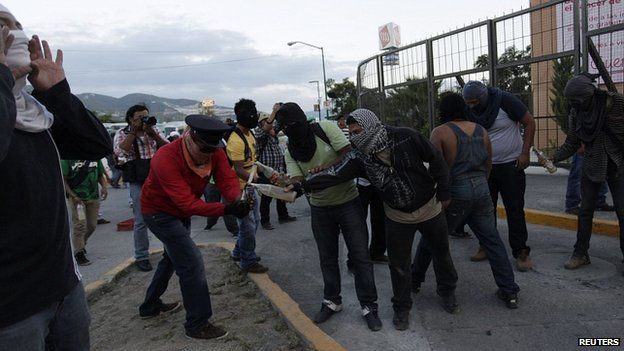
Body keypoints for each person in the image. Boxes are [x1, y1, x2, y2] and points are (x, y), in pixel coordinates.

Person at [0, 7, 112, 349]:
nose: (15, 33)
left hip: (64, 288)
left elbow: (96, 145)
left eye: (17, 26)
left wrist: (56, 94)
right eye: (2, 27)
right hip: (10, 310)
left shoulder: (33, 112)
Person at [299, 108, 459, 330]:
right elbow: (336, 176)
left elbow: (436, 158)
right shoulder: (360, 157)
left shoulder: (405, 136)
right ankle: (402, 308)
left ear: (372, 124)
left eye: (359, 130)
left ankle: (448, 292)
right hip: (397, 216)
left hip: (429, 208)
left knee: (441, 254)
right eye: (352, 132)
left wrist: (444, 192)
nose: (355, 136)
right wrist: (302, 186)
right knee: (399, 265)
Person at [139, 115, 250, 340]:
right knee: (191, 262)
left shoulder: (215, 152)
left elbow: (227, 179)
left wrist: (237, 200)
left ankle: (150, 306)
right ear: (191, 136)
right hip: (159, 213)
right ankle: (197, 324)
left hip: (179, 213)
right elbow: (187, 203)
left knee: (173, 258)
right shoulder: (166, 157)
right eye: (205, 148)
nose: (209, 154)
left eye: (213, 149)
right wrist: (226, 210)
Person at [276, 103, 382, 331]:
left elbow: (349, 155)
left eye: (293, 125)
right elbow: (297, 181)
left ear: (303, 120)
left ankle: (369, 306)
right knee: (327, 258)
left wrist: (324, 169)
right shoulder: (290, 151)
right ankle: (332, 301)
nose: (290, 130)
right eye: (285, 128)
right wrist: (285, 185)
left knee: (361, 257)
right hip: (320, 209)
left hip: (349, 203)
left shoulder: (325, 129)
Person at [411, 93, 521, 309]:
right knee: (493, 241)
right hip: (481, 188)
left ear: (443, 110)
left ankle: (414, 281)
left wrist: (439, 195)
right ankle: (509, 291)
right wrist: (479, 184)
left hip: (454, 191)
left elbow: (437, 169)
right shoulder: (482, 130)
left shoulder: (440, 132)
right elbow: (489, 164)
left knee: (432, 239)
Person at [549, 73, 624, 269]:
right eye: (572, 101)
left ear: (589, 95)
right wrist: (555, 157)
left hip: (619, 164)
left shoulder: (617, 103)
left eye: (577, 100)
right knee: (585, 211)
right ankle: (580, 253)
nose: (574, 104)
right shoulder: (576, 111)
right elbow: (572, 142)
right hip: (592, 165)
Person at [462, 80, 536, 272]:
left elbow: (529, 122)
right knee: (486, 210)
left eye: (474, 102)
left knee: (514, 209)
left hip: (511, 165)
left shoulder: (505, 101)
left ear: (483, 98)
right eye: (468, 103)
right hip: (485, 167)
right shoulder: (471, 110)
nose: (470, 106)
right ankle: (486, 246)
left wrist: (525, 153)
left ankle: (521, 252)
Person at [114, 104, 168, 271]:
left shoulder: (152, 130)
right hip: (137, 180)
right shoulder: (122, 133)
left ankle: (169, 251)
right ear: (131, 119)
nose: (144, 120)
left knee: (165, 216)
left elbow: (166, 148)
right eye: (140, 117)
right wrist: (133, 132)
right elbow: (119, 152)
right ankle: (141, 256)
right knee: (140, 220)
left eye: (146, 116)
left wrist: (151, 133)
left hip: (156, 178)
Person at [226, 98, 268, 273]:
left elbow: (252, 161)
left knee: (254, 221)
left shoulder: (249, 134)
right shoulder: (235, 140)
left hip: (249, 185)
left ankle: (239, 251)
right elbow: (238, 170)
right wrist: (260, 180)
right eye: (250, 113)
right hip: (240, 188)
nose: (253, 116)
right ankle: (248, 260)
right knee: (248, 225)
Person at [62, 159, 108, 266]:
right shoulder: (67, 158)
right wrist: (73, 195)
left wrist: (104, 187)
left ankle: (81, 243)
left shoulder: (94, 155)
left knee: (92, 225)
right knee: (80, 224)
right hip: (78, 199)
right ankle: (79, 252)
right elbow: (63, 179)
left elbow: (100, 174)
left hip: (93, 197)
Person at [255, 112, 296, 230]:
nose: (271, 125)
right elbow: (263, 131)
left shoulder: (273, 135)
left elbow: (277, 129)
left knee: (282, 193)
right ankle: (265, 221)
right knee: (267, 196)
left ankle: (283, 216)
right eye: (267, 121)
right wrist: (273, 112)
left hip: (278, 169)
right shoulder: (259, 132)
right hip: (266, 171)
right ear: (262, 123)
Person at [565, 146, 613, 215]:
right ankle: (572, 205)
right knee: (577, 173)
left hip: (598, 142)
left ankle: (599, 201)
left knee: (600, 169)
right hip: (582, 140)